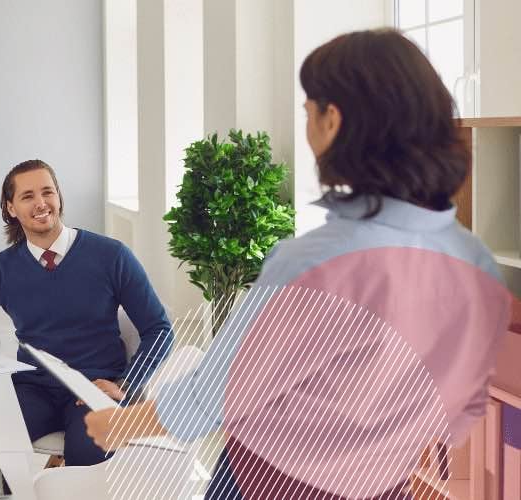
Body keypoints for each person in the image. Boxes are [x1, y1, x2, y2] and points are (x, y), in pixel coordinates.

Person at [84, 29, 511, 499]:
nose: (307, 130)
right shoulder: (469, 259)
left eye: (309, 112)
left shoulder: (318, 261)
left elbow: (218, 393)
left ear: (335, 120)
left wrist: (123, 424)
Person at [0, 159, 173, 466]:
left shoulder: (112, 255)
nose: (40, 203)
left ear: (59, 197)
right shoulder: (1, 269)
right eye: (27, 196)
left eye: (47, 192)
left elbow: (159, 329)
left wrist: (127, 383)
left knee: (89, 454)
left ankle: (63, 465)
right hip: (35, 387)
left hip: (95, 385)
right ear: (10, 208)